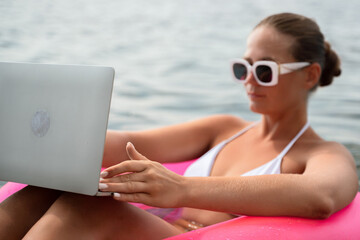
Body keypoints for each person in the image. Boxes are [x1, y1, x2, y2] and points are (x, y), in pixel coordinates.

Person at [0, 12, 358, 240]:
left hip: (191, 236)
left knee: (87, 207)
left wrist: (181, 188)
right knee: (48, 189)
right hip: (160, 227)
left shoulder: (324, 154)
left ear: (309, 75)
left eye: (264, 71)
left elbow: (320, 197)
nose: (249, 81)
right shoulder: (225, 128)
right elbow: (127, 140)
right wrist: (36, 133)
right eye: (242, 68)